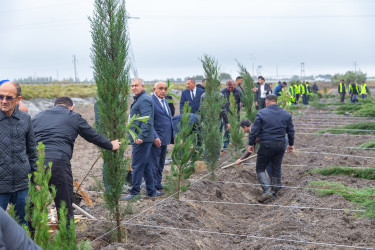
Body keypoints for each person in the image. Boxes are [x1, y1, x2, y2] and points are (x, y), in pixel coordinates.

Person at [32, 97, 121, 222]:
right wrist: (110, 145)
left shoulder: (38, 116)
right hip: (59, 163)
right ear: (71, 107)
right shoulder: (73, 116)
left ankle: (29, 236)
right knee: (64, 205)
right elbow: (92, 135)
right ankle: (67, 239)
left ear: (54, 105)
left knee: (33, 205)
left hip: (37, 162)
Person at [237, 94, 294, 202]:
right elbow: (291, 130)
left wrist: (250, 145)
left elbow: (254, 131)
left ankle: (266, 191)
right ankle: (274, 191)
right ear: (276, 102)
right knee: (276, 167)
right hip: (281, 144)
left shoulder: (261, 113)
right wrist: (291, 144)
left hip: (267, 144)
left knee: (260, 168)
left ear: (267, 102)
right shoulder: (286, 114)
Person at [0, 81, 37, 227]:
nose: (3, 101)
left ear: (18, 99)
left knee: (23, 226)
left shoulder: (25, 119)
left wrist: (37, 179)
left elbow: (33, 151)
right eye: (0, 96)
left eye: (8, 98)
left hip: (22, 186)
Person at [124, 78, 164, 200]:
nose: (133, 87)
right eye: (132, 86)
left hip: (142, 139)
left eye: (136, 85)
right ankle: (151, 191)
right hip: (142, 138)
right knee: (146, 164)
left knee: (136, 165)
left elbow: (147, 120)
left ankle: (134, 192)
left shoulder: (144, 100)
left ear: (142, 86)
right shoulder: (140, 99)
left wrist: (140, 136)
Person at [151, 81, 174, 191]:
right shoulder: (151, 102)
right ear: (154, 89)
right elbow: (149, 122)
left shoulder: (164, 101)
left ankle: (158, 183)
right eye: (160, 88)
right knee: (154, 163)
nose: (163, 91)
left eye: (165, 88)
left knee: (161, 162)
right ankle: (152, 186)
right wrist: (155, 136)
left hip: (165, 137)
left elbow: (168, 118)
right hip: (156, 138)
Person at [221, 80, 241, 149]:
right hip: (226, 115)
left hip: (235, 114)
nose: (230, 89)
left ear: (234, 85)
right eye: (228, 87)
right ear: (226, 86)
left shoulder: (238, 92)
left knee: (236, 129)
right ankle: (226, 145)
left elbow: (242, 102)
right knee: (227, 129)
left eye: (231, 87)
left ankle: (236, 144)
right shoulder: (222, 92)